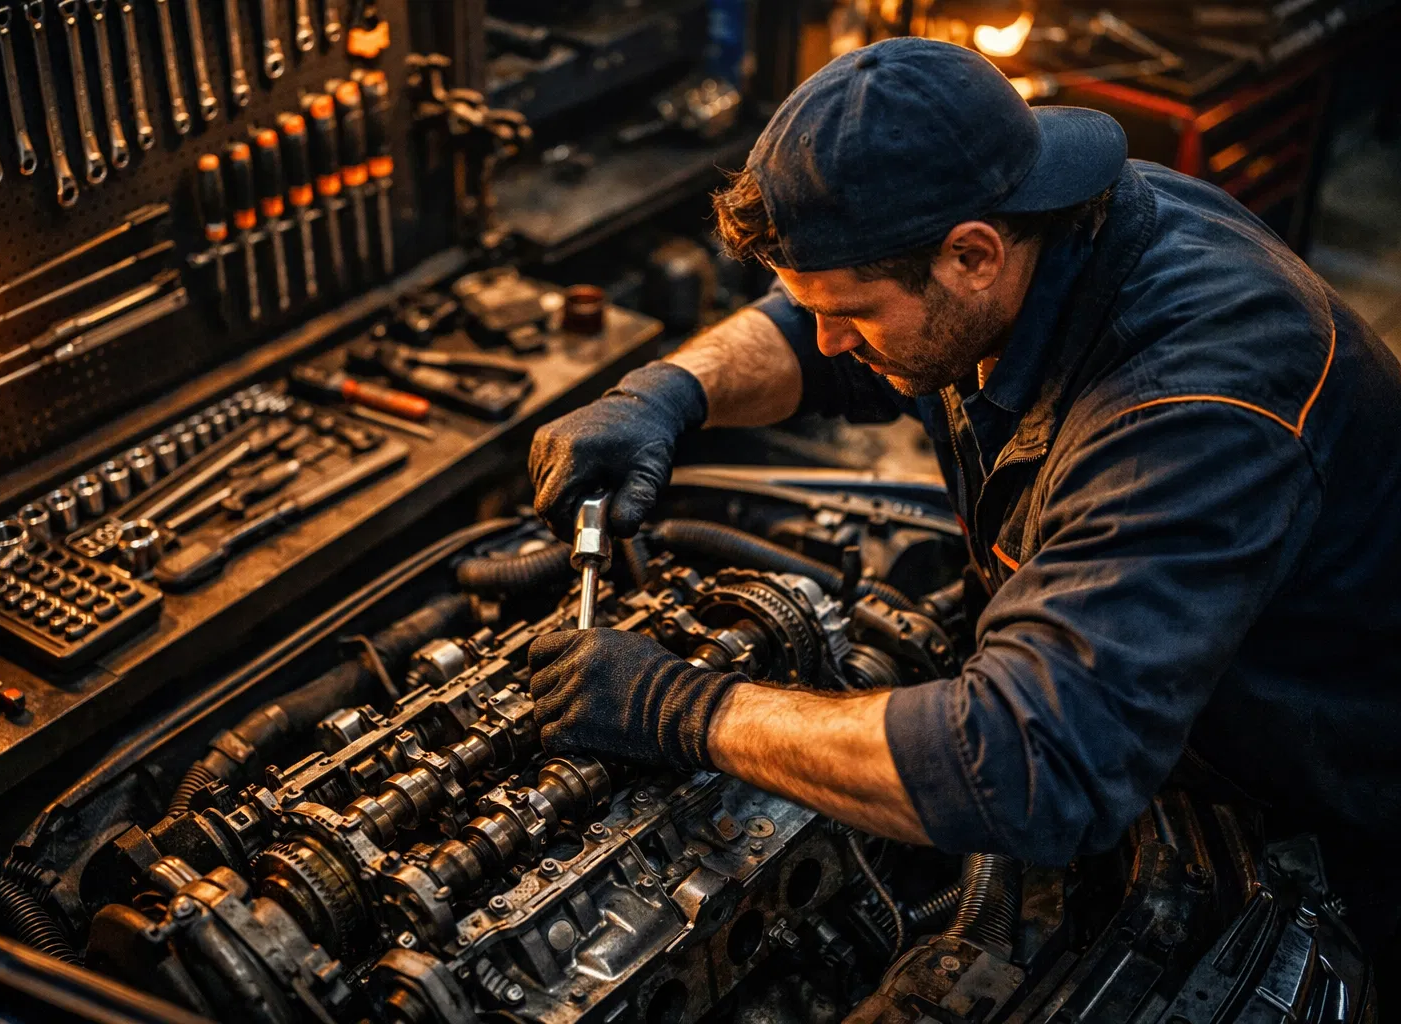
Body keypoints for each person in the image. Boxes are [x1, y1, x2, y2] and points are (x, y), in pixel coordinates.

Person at [525, 38, 1401, 947]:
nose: (827, 340)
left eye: (849, 316)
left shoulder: (1196, 405)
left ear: (972, 256)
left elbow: (1031, 767)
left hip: (1327, 822)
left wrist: (683, 709)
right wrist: (669, 391)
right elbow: (818, 324)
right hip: (1180, 728)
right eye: (817, 307)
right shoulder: (1031, 234)